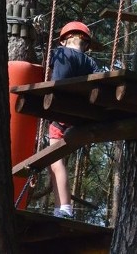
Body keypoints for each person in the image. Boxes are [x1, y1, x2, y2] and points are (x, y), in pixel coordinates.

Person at [48, 21, 99, 218]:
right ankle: (59, 207)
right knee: (56, 164)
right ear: (85, 44)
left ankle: (65, 208)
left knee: (55, 162)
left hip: (60, 115)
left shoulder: (60, 54)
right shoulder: (90, 62)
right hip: (78, 117)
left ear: (65, 39)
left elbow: (56, 81)